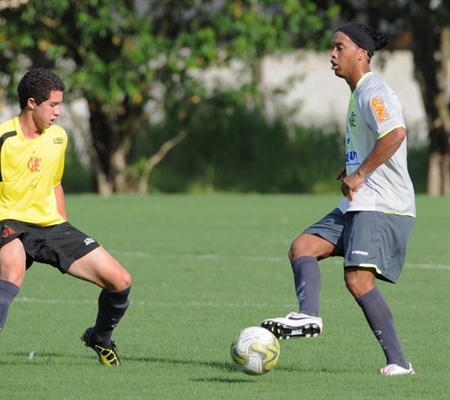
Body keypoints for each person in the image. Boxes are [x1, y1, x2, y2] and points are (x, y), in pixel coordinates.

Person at [261, 22, 416, 376]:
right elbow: (375, 140)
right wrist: (350, 167)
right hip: (360, 201)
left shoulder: (373, 90)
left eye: (339, 47)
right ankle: (308, 316)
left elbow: (395, 134)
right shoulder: (357, 92)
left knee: (359, 281)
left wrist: (360, 174)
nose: (331, 54)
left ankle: (399, 363)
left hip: (382, 204)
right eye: (331, 48)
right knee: (302, 247)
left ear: (361, 53)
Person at [0, 68, 131, 366]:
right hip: (8, 221)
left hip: (51, 225)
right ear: (32, 103)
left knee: (120, 280)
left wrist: (64, 226)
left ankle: (100, 338)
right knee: (12, 274)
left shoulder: (58, 137)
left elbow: (55, 182)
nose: (59, 112)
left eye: (60, 104)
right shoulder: (4, 138)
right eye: (53, 105)